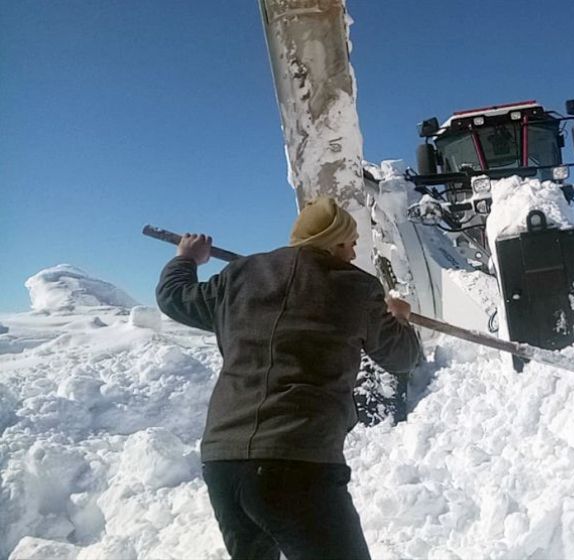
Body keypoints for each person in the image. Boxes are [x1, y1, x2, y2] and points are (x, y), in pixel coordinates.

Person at [156, 197, 422, 559]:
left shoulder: (239, 277)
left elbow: (174, 298)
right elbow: (403, 356)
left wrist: (186, 258)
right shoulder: (356, 287)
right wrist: (399, 318)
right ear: (334, 242)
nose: (354, 251)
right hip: (297, 464)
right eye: (351, 242)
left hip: (224, 464)